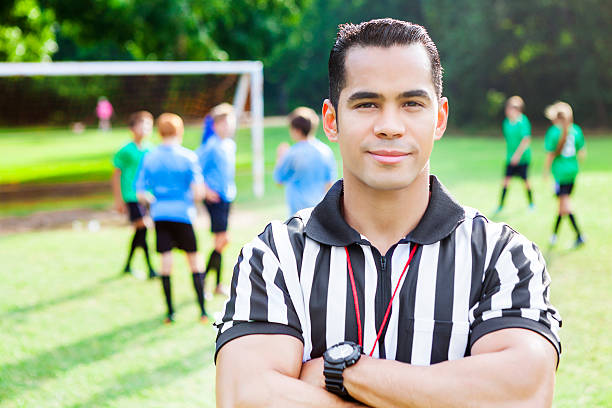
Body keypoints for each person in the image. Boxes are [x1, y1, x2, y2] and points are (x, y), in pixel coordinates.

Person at [215, 19, 561, 407]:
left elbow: (522, 395)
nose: (390, 126)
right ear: (332, 120)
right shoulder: (275, 255)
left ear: (440, 118)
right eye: (367, 104)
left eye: (412, 103)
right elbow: (244, 397)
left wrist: (342, 371)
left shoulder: (501, 255)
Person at [136, 113, 208, 323]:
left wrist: (155, 201)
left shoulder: (149, 157)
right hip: (183, 214)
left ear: (159, 132)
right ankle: (202, 311)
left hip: (161, 215)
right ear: (180, 131)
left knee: (166, 263)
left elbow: (141, 192)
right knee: (194, 261)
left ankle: (170, 313)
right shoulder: (188, 157)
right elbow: (198, 192)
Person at [196, 103, 237, 297]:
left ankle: (217, 284)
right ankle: (203, 280)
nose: (228, 127)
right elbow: (195, 169)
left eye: (230, 123)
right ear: (216, 125)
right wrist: (205, 189)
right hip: (215, 199)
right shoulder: (210, 146)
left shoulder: (229, 145)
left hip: (227, 196)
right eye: (224, 123)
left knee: (221, 241)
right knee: (223, 239)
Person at [112, 111, 157, 279]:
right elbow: (116, 175)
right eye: (141, 124)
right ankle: (150, 268)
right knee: (143, 226)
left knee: (141, 232)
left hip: (147, 196)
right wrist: (118, 199)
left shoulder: (151, 150)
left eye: (148, 125)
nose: (145, 128)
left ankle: (128, 266)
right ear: (132, 128)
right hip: (131, 196)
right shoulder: (125, 150)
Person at [274, 106, 337, 215]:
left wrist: (280, 157)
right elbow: (330, 183)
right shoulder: (325, 150)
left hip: (298, 213)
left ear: (296, 130)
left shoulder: (292, 153)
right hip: (319, 209)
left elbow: (279, 179)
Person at [543, 101, 586, 248]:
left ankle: (579, 235)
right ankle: (554, 236)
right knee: (562, 206)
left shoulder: (554, 132)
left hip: (560, 175)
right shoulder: (576, 130)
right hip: (572, 172)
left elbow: (549, 155)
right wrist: (574, 166)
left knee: (565, 206)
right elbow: (582, 153)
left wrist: (546, 171)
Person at [495, 95, 534, 213]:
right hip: (510, 158)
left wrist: (517, 156)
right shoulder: (506, 123)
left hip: (523, 158)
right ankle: (501, 205)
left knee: (526, 181)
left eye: (511, 108)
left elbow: (526, 140)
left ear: (517, 110)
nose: (508, 111)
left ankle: (531, 204)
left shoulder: (523, 121)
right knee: (506, 181)